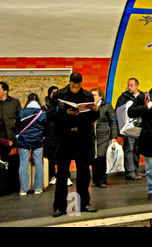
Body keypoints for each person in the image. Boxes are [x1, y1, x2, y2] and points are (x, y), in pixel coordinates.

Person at [52, 72, 100, 217]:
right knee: (62, 174)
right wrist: (65, 113)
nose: (75, 89)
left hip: (82, 137)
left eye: (77, 86)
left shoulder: (87, 95)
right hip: (64, 138)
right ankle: (59, 207)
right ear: (69, 82)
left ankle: (85, 203)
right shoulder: (58, 95)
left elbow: (92, 118)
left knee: (84, 174)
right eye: (73, 86)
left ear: (81, 83)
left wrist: (95, 111)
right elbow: (51, 115)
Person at [15, 93, 48, 196]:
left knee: (23, 164)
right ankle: (38, 188)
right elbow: (46, 127)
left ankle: (23, 189)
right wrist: (42, 135)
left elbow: (17, 126)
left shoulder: (21, 112)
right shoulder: (43, 113)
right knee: (38, 163)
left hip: (24, 140)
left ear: (28, 101)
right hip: (37, 140)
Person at [42, 86, 73, 186]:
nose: (54, 95)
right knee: (50, 157)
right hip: (50, 135)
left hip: (63, 134)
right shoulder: (46, 107)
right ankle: (53, 176)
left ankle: (66, 176)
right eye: (52, 93)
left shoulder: (64, 105)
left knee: (64, 156)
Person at [115, 78, 143, 180]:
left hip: (139, 127)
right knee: (128, 150)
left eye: (131, 85)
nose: (129, 87)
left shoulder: (142, 97)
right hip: (127, 128)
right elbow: (117, 112)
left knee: (136, 149)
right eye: (128, 85)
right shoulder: (123, 97)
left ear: (137, 86)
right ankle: (130, 172)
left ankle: (136, 170)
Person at [91, 87, 118, 188]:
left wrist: (114, 136)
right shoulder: (89, 107)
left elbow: (113, 122)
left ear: (100, 96)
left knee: (101, 157)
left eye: (95, 95)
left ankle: (102, 180)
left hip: (103, 136)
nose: (93, 97)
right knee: (94, 158)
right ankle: (95, 180)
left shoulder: (107, 106)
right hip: (93, 136)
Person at [0, 81, 22, 159]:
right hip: (0, 137)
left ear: (5, 91)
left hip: (12, 136)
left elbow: (20, 118)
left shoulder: (14, 102)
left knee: (12, 161)